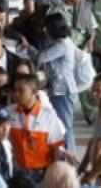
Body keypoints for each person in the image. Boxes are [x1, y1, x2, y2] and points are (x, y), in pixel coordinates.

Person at [7, 74, 66, 183]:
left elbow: (56, 147)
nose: (16, 94)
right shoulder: (9, 112)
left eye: (21, 90)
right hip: (17, 172)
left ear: (34, 92)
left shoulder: (48, 115)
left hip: (42, 173)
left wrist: (54, 173)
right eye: (14, 90)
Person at [37, 13, 77, 152]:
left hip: (63, 87)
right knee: (60, 122)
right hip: (59, 86)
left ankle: (70, 154)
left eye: (46, 27)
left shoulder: (62, 44)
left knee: (64, 124)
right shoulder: (59, 43)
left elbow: (41, 57)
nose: (44, 31)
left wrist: (27, 47)